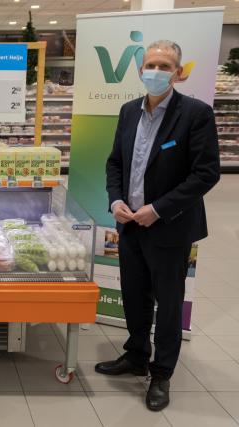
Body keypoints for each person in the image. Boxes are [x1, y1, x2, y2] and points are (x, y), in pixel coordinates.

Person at [97, 40, 220, 411]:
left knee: (168, 304)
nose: (156, 71)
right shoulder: (128, 111)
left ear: (178, 73)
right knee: (134, 295)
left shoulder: (195, 114)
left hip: (169, 227)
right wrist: (116, 200)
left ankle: (161, 373)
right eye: (150, 64)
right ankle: (136, 354)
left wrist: (159, 209)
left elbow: (205, 173)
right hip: (130, 224)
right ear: (140, 70)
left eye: (165, 66)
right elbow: (115, 162)